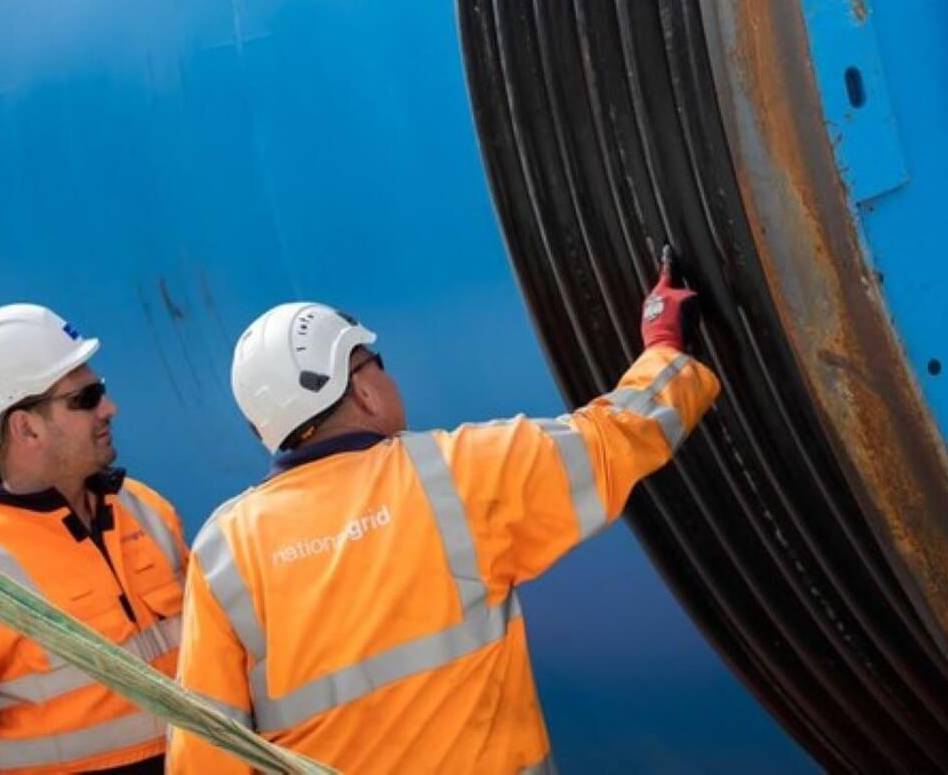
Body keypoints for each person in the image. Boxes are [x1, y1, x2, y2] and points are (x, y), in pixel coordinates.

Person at [169, 257, 712, 773]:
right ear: (362, 391)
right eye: (378, 364)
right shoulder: (455, 475)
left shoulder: (225, 551)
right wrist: (664, 341)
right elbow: (618, 437)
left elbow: (204, 748)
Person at [0, 304, 189, 774]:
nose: (108, 408)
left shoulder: (147, 510)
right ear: (25, 427)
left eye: (101, 390)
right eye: (86, 397)